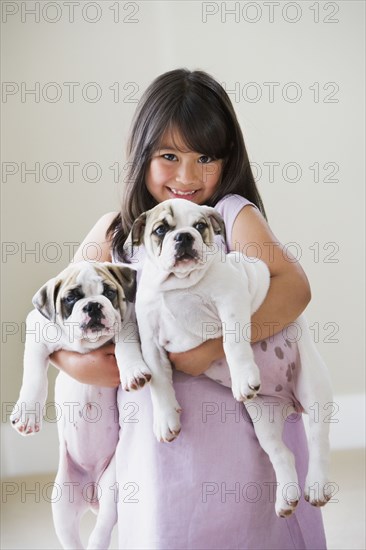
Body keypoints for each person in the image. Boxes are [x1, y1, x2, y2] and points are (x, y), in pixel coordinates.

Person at [51, 69, 327, 549]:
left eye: (205, 158)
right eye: (169, 157)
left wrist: (214, 348)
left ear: (227, 160)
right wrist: (93, 365)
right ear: (142, 158)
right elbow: (53, 323)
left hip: (238, 425)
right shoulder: (115, 233)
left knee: (249, 526)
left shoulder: (229, 216)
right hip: (153, 440)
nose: (186, 176)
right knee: (165, 527)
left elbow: (294, 290)